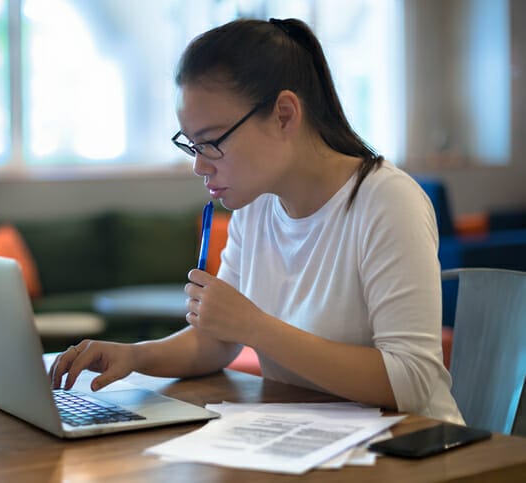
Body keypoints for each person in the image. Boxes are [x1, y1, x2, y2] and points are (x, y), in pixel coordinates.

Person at [50, 18, 463, 423]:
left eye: (211, 142)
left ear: (284, 115)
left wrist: (255, 326)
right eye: (191, 145)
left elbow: (412, 382)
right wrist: (134, 356)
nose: (198, 166)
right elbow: (217, 342)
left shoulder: (387, 201)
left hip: (411, 451)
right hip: (307, 441)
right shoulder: (256, 207)